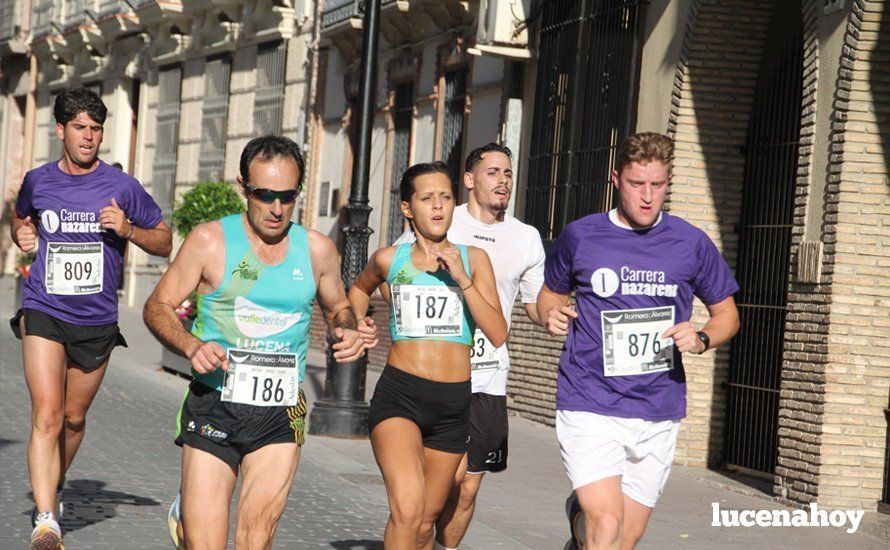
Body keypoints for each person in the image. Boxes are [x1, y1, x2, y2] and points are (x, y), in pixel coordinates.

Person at [142, 136, 376, 549]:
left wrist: (348, 328)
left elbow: (339, 306)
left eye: (287, 196)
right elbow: (158, 306)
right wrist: (192, 347)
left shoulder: (317, 250)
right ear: (242, 187)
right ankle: (190, 514)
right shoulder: (210, 241)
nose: (276, 208)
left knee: (256, 535)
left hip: (280, 410)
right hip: (215, 402)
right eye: (264, 195)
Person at [537, 132, 740, 550]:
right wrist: (549, 314)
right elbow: (549, 294)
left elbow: (728, 315)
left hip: (658, 407)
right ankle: (589, 520)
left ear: (668, 182)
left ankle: (580, 525)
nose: (648, 197)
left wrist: (701, 338)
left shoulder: (691, 243)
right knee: (607, 524)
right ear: (616, 179)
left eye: (658, 185)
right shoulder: (581, 236)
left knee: (622, 539)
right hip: (589, 400)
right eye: (636, 184)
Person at [9, 87, 173, 550]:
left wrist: (128, 230)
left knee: (73, 419)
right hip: (44, 307)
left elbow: (164, 240)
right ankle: (46, 520)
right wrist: (21, 234)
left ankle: (54, 485)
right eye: (79, 127)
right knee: (47, 414)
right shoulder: (38, 181)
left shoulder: (121, 187)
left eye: (96, 128)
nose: (88, 136)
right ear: (60, 130)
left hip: (96, 319)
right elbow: (21, 220)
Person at [349, 161, 507, 549]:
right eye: (427, 198)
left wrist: (463, 280)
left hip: (453, 404)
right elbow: (357, 289)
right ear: (408, 208)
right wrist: (360, 320)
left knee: (423, 525)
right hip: (400, 396)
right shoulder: (390, 259)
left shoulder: (474, 259)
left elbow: (498, 332)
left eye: (446, 197)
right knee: (407, 506)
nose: (438, 206)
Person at [393, 144, 544, 549]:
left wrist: (554, 314)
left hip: (490, 375)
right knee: (438, 484)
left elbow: (533, 305)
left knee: (469, 488)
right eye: (493, 172)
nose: (503, 181)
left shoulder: (526, 237)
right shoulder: (442, 219)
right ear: (470, 179)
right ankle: (415, 534)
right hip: (437, 375)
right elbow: (398, 272)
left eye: (509, 173)